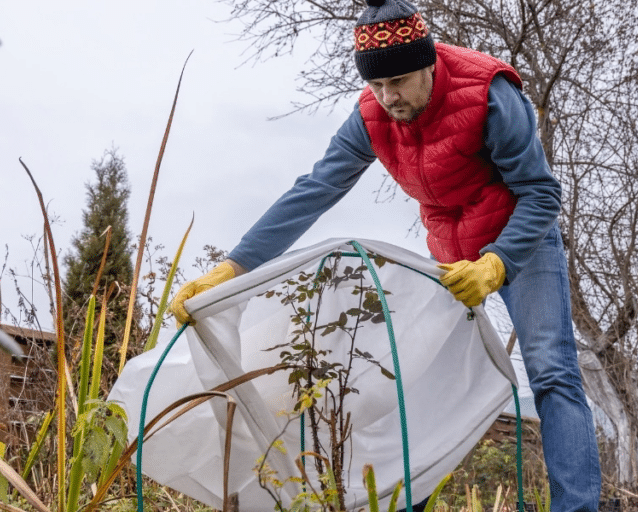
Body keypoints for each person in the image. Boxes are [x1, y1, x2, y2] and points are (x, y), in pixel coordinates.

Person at [169, 0, 602, 510]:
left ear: (429, 64)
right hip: (450, 255)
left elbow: (541, 193)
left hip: (521, 243)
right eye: (377, 86)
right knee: (421, 382)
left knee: (551, 371)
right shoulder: (373, 114)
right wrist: (234, 266)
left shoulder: (488, 93)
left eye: (398, 81)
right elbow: (314, 189)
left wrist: (497, 262)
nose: (388, 96)